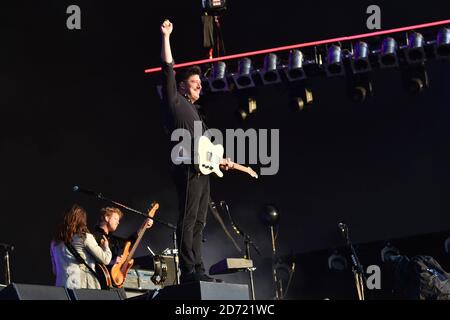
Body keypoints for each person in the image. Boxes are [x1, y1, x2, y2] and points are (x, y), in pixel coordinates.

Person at [159, 19, 233, 283]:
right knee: (188, 218)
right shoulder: (175, 102)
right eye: (194, 82)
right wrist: (166, 36)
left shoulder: (197, 113)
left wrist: (219, 161)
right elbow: (167, 68)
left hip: (202, 168)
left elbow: (205, 147)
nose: (200, 86)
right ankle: (188, 270)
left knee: (200, 221)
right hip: (186, 166)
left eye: (200, 83)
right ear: (181, 86)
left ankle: (199, 268)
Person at [50, 204, 112, 289]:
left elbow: (55, 270)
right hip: (83, 288)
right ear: (82, 220)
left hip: (62, 288)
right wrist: (106, 247)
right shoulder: (84, 237)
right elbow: (105, 259)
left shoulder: (54, 243)